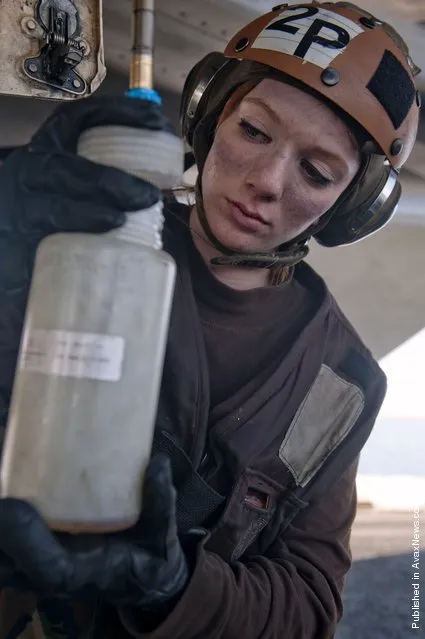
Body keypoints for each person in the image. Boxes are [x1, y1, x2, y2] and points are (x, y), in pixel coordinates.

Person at [0, 2, 421, 638]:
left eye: (315, 170)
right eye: (254, 131)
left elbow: (308, 604)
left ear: (350, 206)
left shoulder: (341, 383)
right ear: (212, 113)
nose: (267, 181)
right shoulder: (67, 229)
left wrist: (174, 589)